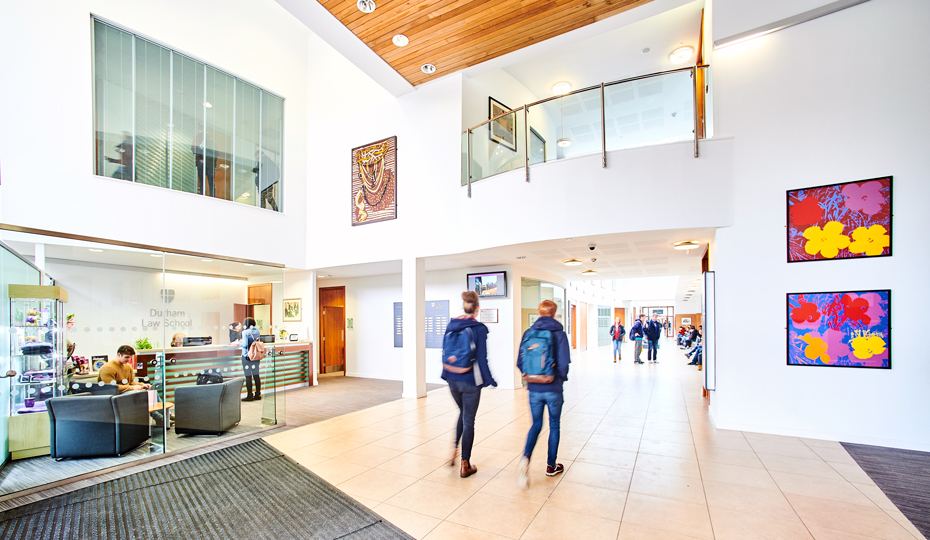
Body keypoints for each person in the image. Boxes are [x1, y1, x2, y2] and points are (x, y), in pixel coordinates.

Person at [441, 291, 497, 478]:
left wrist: (446, 374)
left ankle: (454, 449)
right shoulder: (478, 328)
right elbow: (482, 358)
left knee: (462, 413)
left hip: (451, 378)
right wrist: (490, 380)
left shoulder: (451, 325)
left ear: (464, 306)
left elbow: (446, 350)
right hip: (470, 381)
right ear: (477, 309)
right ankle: (465, 464)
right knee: (468, 419)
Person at [517, 300, 571, 489]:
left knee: (536, 425)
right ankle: (551, 465)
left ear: (539, 313)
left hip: (534, 388)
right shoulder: (560, 334)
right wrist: (559, 378)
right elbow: (564, 365)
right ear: (554, 313)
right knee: (554, 425)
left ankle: (525, 458)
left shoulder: (529, 333)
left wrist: (532, 377)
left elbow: (520, 362)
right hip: (553, 387)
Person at [240, 317, 262, 402]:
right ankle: (258, 394)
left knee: (248, 376)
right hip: (255, 356)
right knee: (256, 375)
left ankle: (249, 395)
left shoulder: (245, 332)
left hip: (247, 356)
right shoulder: (257, 331)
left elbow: (245, 344)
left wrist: (238, 343)